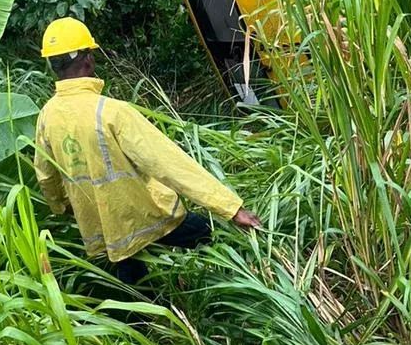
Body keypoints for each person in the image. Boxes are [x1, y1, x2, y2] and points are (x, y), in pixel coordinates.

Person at [34, 17, 262, 285]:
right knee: (207, 233)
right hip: (147, 220)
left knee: (137, 289)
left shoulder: (46, 117)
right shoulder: (111, 112)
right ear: (88, 60)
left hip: (105, 232)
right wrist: (231, 208)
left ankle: (151, 321)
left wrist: (63, 207)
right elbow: (168, 163)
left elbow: (46, 177)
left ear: (52, 66)